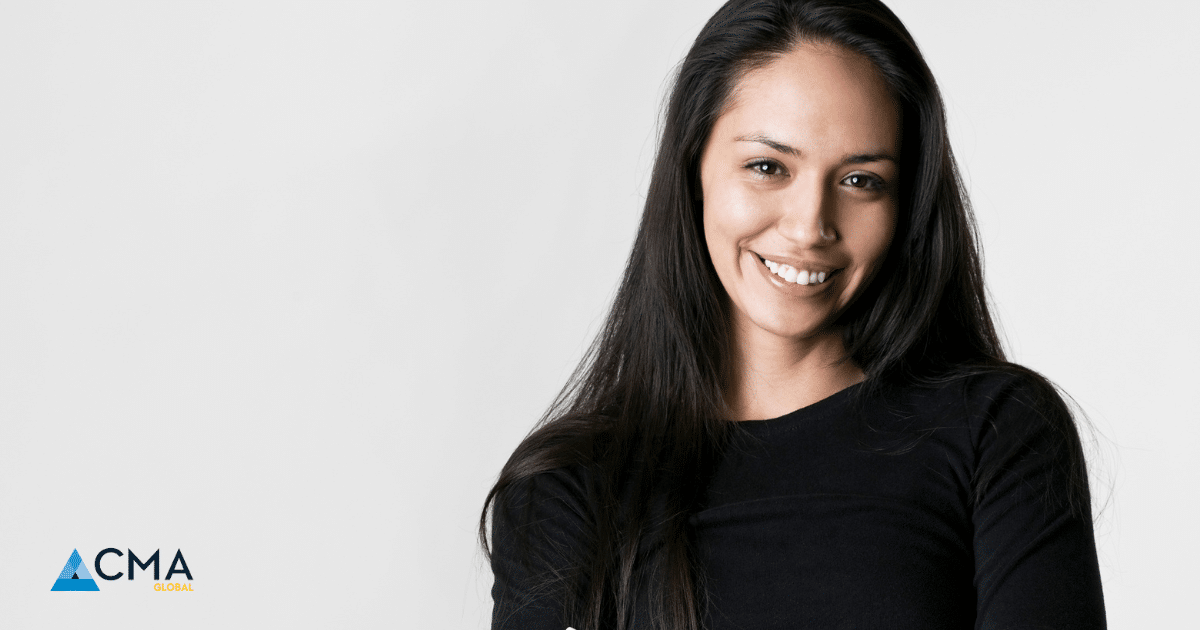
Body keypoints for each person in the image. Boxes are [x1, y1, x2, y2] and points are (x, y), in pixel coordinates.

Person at [480, 1, 1106, 628]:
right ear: (693, 168)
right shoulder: (565, 490)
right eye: (767, 167)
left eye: (861, 180)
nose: (810, 226)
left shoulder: (996, 433)